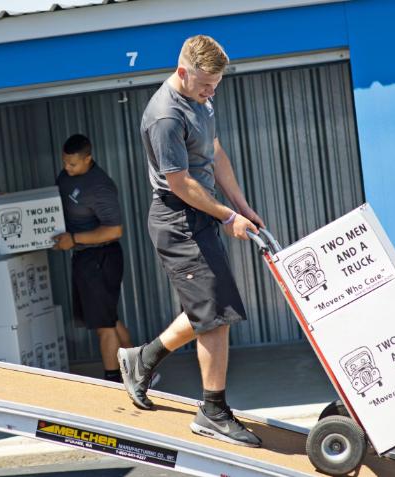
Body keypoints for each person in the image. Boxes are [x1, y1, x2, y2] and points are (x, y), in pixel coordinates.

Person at [118, 35, 265, 448]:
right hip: (177, 219)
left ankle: (141, 359)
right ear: (183, 72)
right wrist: (227, 216)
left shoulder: (202, 99)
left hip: (200, 215)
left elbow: (215, 154)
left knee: (213, 308)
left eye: (215, 85)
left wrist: (242, 206)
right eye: (205, 85)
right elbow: (180, 184)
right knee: (215, 315)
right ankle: (212, 412)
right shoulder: (165, 116)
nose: (210, 93)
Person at [53, 134, 134, 383]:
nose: (67, 168)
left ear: (88, 159)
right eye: (65, 162)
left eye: (73, 164)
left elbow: (114, 230)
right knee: (108, 317)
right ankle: (140, 370)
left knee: (104, 325)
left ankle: (113, 380)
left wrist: (74, 238)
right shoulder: (66, 176)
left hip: (102, 257)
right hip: (84, 257)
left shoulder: (100, 187)